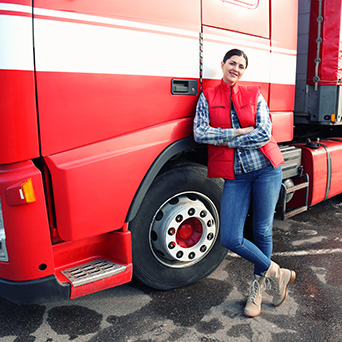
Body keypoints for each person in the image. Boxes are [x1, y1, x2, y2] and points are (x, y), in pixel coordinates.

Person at [193, 48, 296, 317]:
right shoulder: (208, 96)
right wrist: (238, 132)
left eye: (241, 65)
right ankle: (277, 272)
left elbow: (263, 134)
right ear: (223, 64)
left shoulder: (254, 94)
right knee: (229, 236)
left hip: (266, 170)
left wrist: (224, 139)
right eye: (232, 63)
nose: (235, 68)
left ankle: (257, 292)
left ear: (244, 71)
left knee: (262, 231)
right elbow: (199, 132)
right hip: (235, 175)